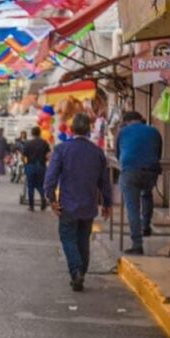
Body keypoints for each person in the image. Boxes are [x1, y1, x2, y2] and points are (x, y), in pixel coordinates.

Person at [44, 113, 113, 292]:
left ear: (72, 129)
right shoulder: (97, 152)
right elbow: (104, 181)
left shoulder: (62, 149)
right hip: (88, 205)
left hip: (67, 204)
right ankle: (81, 271)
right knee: (83, 240)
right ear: (89, 130)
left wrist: (51, 199)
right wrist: (107, 203)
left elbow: (50, 177)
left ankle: (76, 271)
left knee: (68, 237)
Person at [116, 111, 163, 255]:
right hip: (151, 173)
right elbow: (158, 154)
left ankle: (137, 244)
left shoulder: (122, 132)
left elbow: (118, 155)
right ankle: (146, 226)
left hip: (130, 172)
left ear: (126, 121)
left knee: (132, 208)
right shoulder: (154, 131)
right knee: (146, 193)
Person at [21, 125, 51, 211]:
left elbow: (23, 156)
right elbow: (48, 155)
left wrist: (25, 164)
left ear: (32, 133)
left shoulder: (28, 143)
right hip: (41, 166)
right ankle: (43, 199)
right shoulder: (44, 143)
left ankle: (31, 206)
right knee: (40, 184)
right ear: (40, 133)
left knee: (30, 186)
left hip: (30, 165)